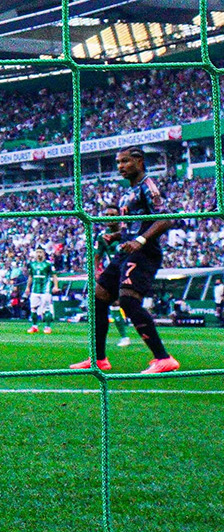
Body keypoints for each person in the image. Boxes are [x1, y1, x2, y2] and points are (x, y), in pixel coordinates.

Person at [72, 148, 179, 374]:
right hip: (127, 250)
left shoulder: (149, 186)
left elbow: (167, 218)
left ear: (139, 162)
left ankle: (163, 358)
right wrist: (119, 235)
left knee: (129, 301)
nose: (120, 166)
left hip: (144, 252)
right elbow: (135, 226)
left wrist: (139, 240)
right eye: (118, 162)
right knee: (98, 297)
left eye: (125, 161)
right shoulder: (127, 193)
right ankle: (99, 359)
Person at [25, 248, 56, 335]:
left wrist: (56, 286)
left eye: (40, 252)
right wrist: (28, 287)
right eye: (37, 252)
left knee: (46, 309)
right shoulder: (32, 264)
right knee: (33, 309)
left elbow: (54, 275)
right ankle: (34, 326)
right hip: (35, 290)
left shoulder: (48, 264)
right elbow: (30, 276)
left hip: (45, 290)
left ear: (44, 254)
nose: (39, 254)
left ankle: (47, 327)